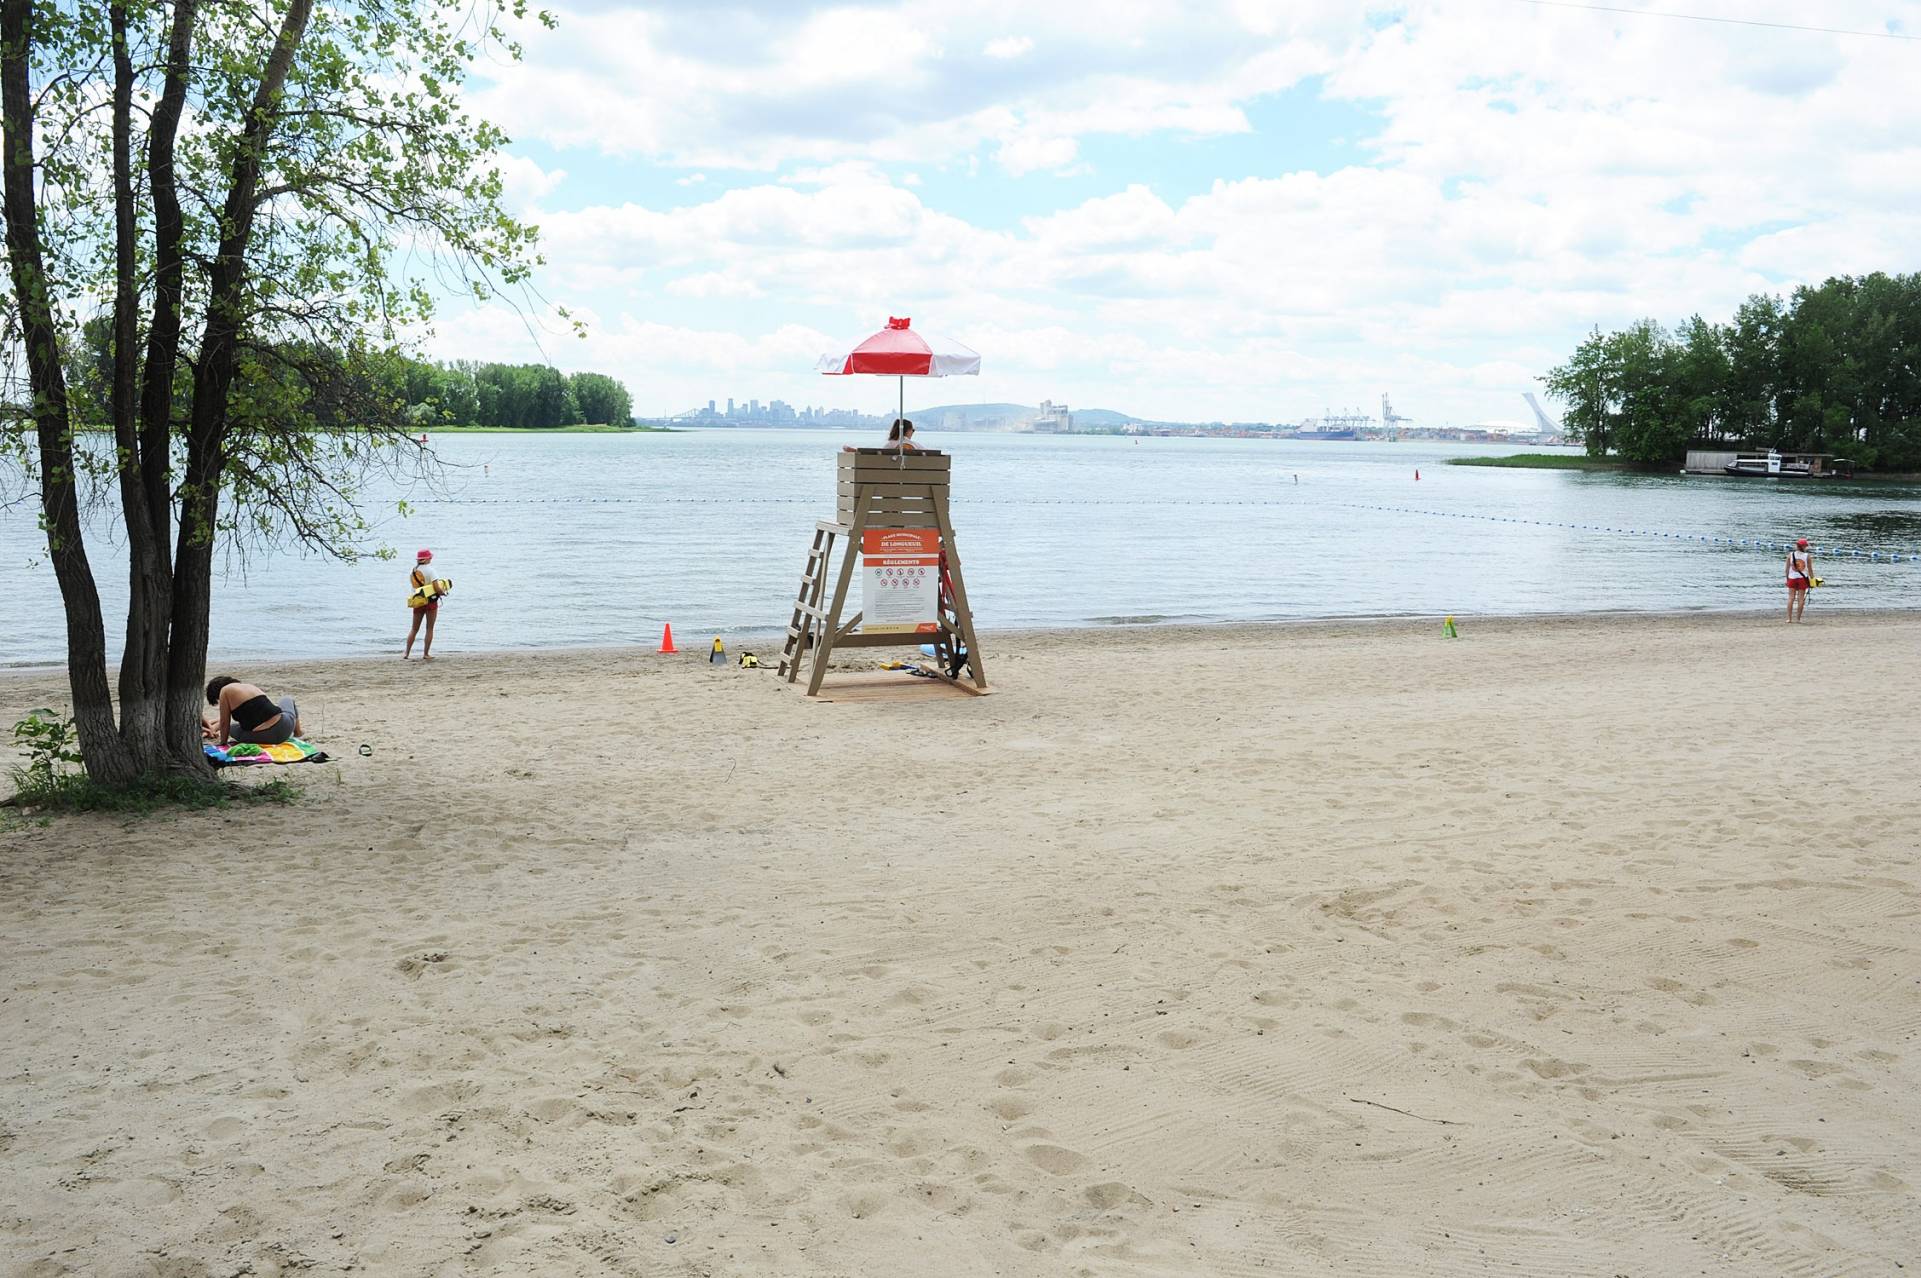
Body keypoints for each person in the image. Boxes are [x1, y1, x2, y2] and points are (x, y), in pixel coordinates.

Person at [204, 676, 302, 746]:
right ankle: (298, 733)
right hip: (285, 728)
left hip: (263, 737)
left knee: (232, 728)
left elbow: (225, 722)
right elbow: (265, 711)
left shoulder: (225, 690)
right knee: (287, 699)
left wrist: (223, 743)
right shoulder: (249, 687)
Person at [405, 548, 442, 660]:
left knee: (414, 629)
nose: (431, 558)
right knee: (429, 628)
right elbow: (436, 587)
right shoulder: (431, 570)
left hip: (418, 601)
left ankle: (406, 653)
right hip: (430, 601)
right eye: (430, 557)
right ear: (426, 559)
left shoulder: (413, 571)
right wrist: (442, 592)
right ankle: (425, 654)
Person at [1786, 538, 1814, 623]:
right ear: (1804, 546)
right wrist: (1812, 581)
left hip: (1792, 578)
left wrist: (1787, 579)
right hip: (1803, 579)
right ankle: (1798, 619)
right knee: (1801, 599)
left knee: (1791, 598)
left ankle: (1789, 619)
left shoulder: (1790, 555)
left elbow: (1786, 569)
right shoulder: (1807, 556)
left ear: (1797, 546)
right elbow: (1810, 570)